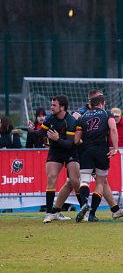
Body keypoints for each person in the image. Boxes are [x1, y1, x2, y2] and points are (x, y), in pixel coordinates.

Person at [29, 95, 80, 223]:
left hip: (70, 151)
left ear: (62, 107)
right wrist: (32, 131)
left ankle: (85, 209)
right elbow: (40, 133)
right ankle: (49, 213)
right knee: (51, 177)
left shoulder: (70, 120)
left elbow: (69, 143)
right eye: (51, 105)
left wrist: (58, 139)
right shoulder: (50, 118)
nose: (51, 107)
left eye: (54, 105)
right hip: (55, 151)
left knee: (74, 180)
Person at [74, 95, 119, 222]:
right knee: (100, 183)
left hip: (86, 151)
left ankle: (84, 205)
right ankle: (92, 213)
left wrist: (84, 142)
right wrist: (115, 148)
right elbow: (113, 129)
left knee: (84, 181)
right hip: (101, 151)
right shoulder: (107, 114)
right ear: (102, 103)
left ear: (90, 105)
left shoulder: (82, 117)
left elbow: (76, 140)